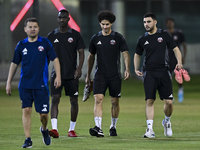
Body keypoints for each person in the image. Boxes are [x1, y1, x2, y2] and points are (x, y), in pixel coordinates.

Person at [6, 18, 61, 148]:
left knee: (43, 115)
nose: (32, 29)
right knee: (26, 110)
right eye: (30, 27)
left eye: (35, 27)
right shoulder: (21, 45)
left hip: (41, 85)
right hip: (25, 85)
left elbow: (55, 59)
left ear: (38, 28)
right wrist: (8, 82)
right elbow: (14, 63)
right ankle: (28, 139)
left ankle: (44, 129)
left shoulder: (45, 43)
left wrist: (58, 76)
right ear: (25, 29)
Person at [134, 12, 183, 138]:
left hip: (164, 72)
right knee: (149, 100)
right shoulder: (142, 38)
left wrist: (179, 62)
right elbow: (137, 54)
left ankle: (166, 122)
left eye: (149, 21)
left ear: (155, 22)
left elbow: (176, 49)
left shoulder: (164, 35)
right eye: (144, 22)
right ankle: (150, 130)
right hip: (149, 72)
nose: (146, 24)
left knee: (169, 102)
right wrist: (135, 68)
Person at [86, 10, 130, 137]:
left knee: (114, 101)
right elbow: (91, 57)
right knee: (98, 99)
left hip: (114, 75)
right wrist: (88, 75)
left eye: (107, 24)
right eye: (103, 24)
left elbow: (125, 54)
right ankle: (98, 128)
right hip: (100, 74)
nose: (105, 27)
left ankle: (113, 126)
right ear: (100, 24)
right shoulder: (95, 38)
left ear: (111, 24)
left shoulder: (118, 38)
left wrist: (127, 69)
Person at [47, 9, 85, 138]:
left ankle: (71, 130)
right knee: (55, 99)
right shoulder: (51, 35)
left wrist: (79, 69)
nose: (62, 20)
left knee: (74, 101)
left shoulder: (75, 35)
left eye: (64, 17)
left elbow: (81, 52)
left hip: (71, 74)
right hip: (56, 74)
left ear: (69, 19)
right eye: (60, 17)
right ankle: (54, 129)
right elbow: (47, 55)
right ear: (57, 19)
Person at [166, 18, 187, 103]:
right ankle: (170, 95)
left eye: (171, 22)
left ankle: (180, 90)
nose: (169, 24)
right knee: (167, 77)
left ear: (173, 23)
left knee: (178, 76)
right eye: (168, 23)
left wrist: (183, 57)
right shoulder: (165, 34)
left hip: (176, 58)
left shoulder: (178, 33)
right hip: (167, 58)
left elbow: (184, 45)